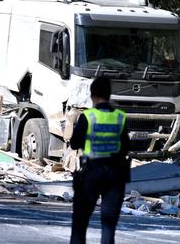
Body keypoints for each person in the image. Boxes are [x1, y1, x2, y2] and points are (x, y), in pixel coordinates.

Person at [70, 76, 130, 244]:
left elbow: (75, 143)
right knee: (109, 226)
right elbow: (126, 147)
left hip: (91, 173)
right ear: (109, 95)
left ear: (92, 96)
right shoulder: (120, 117)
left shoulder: (88, 116)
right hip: (115, 174)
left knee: (80, 224)